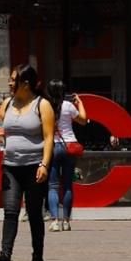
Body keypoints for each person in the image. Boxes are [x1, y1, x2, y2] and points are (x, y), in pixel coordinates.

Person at [0, 64, 55, 261]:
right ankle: (5, 256)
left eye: (13, 80)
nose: (9, 83)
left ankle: (38, 258)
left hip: (34, 166)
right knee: (11, 211)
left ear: (25, 84)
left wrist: (44, 164)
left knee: (34, 213)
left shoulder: (42, 105)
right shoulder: (7, 103)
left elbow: (49, 137)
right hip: (11, 166)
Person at [45, 80, 87, 232]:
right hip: (70, 146)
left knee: (53, 186)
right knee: (68, 185)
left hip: (53, 146)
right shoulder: (68, 106)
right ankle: (67, 221)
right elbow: (83, 120)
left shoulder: (46, 106)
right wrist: (80, 103)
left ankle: (55, 220)